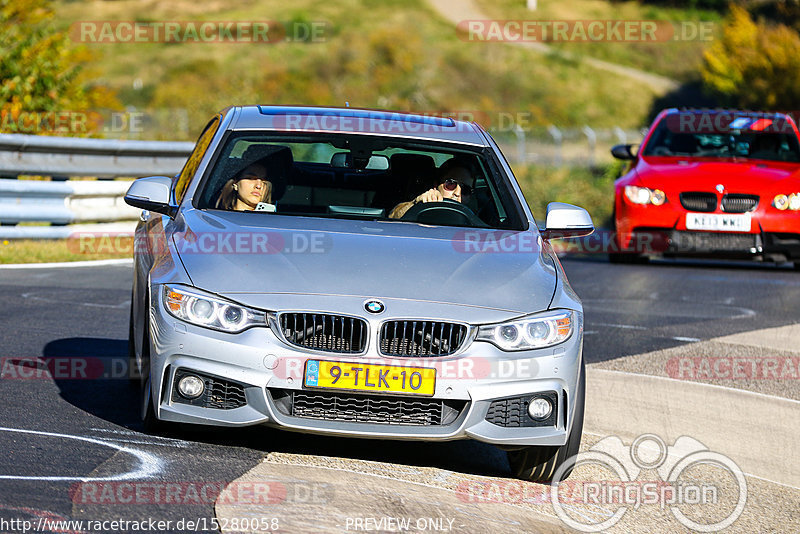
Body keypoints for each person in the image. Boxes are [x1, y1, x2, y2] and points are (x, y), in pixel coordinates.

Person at [388, 159, 475, 219]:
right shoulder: (422, 203)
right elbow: (393, 217)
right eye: (451, 184)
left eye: (466, 190)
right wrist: (416, 203)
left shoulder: (474, 220)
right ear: (436, 185)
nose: (457, 193)